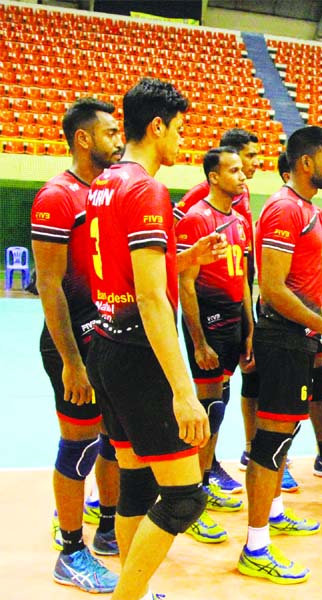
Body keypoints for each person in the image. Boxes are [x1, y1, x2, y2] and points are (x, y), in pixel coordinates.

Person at [85, 77, 227, 600]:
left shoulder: (105, 181)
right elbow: (150, 300)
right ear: (157, 125)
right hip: (142, 356)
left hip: (108, 345)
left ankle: (134, 591)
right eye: (180, 130)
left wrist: (185, 260)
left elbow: (124, 267)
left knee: (139, 485)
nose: (183, 142)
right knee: (185, 498)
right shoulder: (147, 187)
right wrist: (184, 391)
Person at [241, 127, 322, 584]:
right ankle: (255, 546)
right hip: (282, 337)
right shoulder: (286, 209)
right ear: (306, 163)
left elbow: (305, 284)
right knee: (270, 442)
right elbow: (273, 287)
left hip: (301, 335)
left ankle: (276, 513)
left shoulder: (311, 211)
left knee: (282, 440)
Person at [31, 97, 123, 593]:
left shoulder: (109, 193)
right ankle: (70, 550)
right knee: (79, 444)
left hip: (109, 340)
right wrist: (71, 361)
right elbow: (49, 285)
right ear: (84, 138)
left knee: (110, 439)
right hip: (74, 346)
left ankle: (106, 527)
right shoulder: (57, 196)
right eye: (110, 132)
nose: (118, 140)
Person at [175, 128, 262, 495]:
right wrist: (197, 342)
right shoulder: (196, 219)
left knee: (221, 400)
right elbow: (185, 284)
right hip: (207, 320)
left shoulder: (240, 221)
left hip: (234, 319)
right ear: (214, 176)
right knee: (209, 404)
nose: (242, 177)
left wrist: (250, 328)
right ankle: (194, 484)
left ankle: (207, 471)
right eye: (234, 171)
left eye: (243, 170)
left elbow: (242, 277)